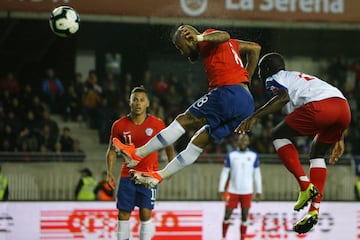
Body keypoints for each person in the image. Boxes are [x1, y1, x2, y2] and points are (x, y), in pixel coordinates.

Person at [112, 24, 261, 190]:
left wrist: (199, 38)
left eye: (180, 47)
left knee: (182, 121)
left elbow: (224, 35)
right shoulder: (230, 46)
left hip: (228, 93)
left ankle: (137, 155)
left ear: (189, 40)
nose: (182, 52)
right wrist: (246, 79)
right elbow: (255, 48)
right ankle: (159, 176)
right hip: (247, 104)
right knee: (199, 140)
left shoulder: (206, 39)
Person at [234, 52, 351, 234]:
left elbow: (283, 98)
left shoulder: (273, 78)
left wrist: (254, 117)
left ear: (266, 69)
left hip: (321, 107)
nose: (258, 74)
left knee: (277, 135)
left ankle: (304, 186)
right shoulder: (297, 77)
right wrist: (340, 137)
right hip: (343, 109)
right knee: (317, 153)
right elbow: (332, 97)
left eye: (259, 70)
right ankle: (314, 210)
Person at [106, 86, 175, 240]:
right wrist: (109, 172)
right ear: (129, 102)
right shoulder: (119, 125)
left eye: (141, 100)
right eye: (135, 100)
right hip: (127, 175)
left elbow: (168, 144)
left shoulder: (157, 124)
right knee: (123, 213)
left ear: (147, 103)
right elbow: (111, 150)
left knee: (145, 213)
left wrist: (171, 166)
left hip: (149, 176)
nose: (138, 103)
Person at [218, 134, 262, 240]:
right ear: (238, 142)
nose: (243, 142)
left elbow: (257, 174)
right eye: (241, 140)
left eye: (245, 140)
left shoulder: (253, 156)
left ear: (248, 142)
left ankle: (242, 238)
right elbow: (225, 172)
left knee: (244, 216)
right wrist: (221, 189)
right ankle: (223, 237)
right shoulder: (231, 155)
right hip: (233, 190)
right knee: (227, 215)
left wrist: (259, 191)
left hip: (247, 191)